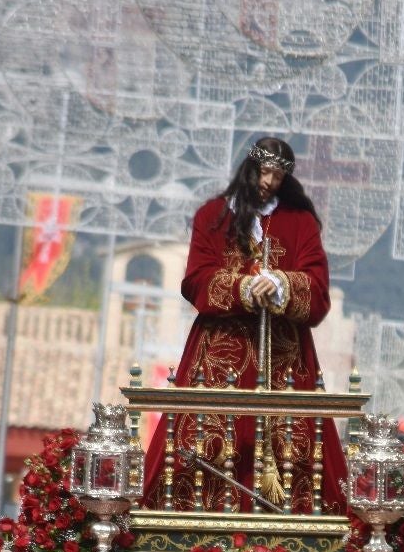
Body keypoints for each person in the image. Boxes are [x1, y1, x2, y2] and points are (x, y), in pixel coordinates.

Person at [143, 136, 346, 514]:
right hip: (221, 351)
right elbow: (195, 280)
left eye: (278, 176)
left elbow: (318, 290)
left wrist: (284, 284)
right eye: (265, 172)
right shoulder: (212, 216)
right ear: (250, 168)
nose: (269, 182)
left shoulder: (300, 222)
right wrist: (243, 288)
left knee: (294, 447)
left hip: (284, 357)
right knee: (204, 439)